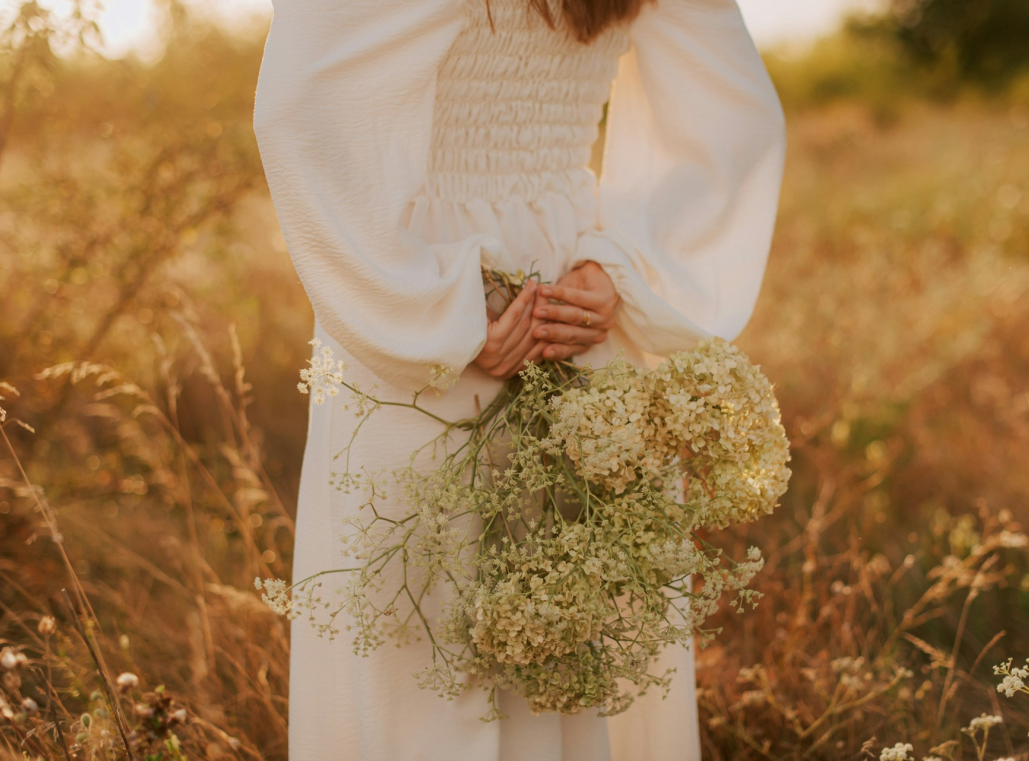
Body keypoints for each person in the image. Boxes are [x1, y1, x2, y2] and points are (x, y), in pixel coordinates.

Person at [252, 0, 785, 757]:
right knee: (430, 644)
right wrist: (464, 304)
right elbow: (302, 111)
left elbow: (303, 105)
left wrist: (615, 272)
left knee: (548, 648)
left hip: (504, 306)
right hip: (463, 314)